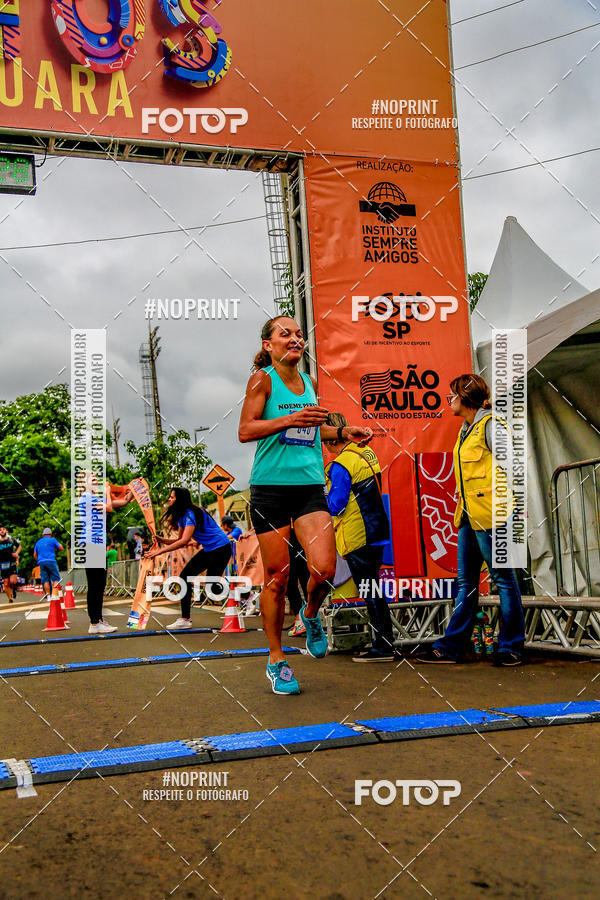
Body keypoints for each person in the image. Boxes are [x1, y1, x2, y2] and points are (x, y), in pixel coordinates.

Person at [238, 315, 373, 694]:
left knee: (326, 569)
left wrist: (344, 431)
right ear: (269, 344)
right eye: (286, 334)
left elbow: (313, 429)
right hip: (270, 490)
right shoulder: (262, 380)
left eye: (299, 334)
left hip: (309, 487)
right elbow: (245, 430)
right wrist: (289, 419)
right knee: (277, 578)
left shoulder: (310, 382)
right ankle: (276, 658)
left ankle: (310, 613)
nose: (295, 339)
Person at [415, 374, 526, 667]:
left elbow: (513, 467)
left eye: (452, 395)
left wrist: (511, 510)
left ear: (464, 399)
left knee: (503, 580)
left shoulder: (490, 426)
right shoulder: (467, 428)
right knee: (466, 583)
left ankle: (511, 647)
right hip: (468, 515)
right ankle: (451, 647)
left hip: (493, 515)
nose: (449, 400)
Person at [323, 412, 395, 662]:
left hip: (357, 534)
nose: (324, 447)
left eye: (324, 440)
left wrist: (319, 497)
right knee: (374, 588)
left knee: (371, 591)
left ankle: (383, 645)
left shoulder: (341, 464)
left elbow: (336, 505)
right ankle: (384, 641)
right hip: (376, 530)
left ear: (332, 438)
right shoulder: (365, 453)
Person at [145, 488, 232, 629]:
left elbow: (184, 541)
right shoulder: (182, 516)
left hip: (221, 548)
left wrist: (158, 552)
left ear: (180, 499)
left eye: (172, 497)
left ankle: (246, 594)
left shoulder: (191, 514)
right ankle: (185, 619)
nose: (170, 500)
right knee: (184, 576)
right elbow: (179, 539)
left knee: (212, 586)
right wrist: (162, 540)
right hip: (209, 549)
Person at [78, 474, 133, 634]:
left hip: (97, 544)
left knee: (100, 584)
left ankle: (98, 620)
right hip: (92, 543)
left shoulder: (95, 498)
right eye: (92, 479)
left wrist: (133, 490)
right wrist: (108, 491)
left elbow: (121, 502)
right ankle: (94, 623)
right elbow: (109, 507)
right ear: (84, 483)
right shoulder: (87, 496)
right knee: (95, 584)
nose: (96, 481)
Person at [33, 527, 63, 600]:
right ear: (51, 534)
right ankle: (56, 595)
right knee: (55, 578)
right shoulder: (53, 540)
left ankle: (48, 597)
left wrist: (39, 560)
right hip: (51, 561)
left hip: (41, 562)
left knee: (45, 580)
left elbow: (35, 554)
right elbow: (61, 548)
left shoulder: (38, 542)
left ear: (43, 534)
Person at [0, 525, 19, 604]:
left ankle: (14, 589)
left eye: (3, 529)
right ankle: (10, 598)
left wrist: (16, 554)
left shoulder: (11, 540)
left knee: (13, 581)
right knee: (6, 583)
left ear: (6, 531)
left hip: (12, 562)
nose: (2, 531)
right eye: (0, 530)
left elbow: (19, 546)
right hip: (3, 564)